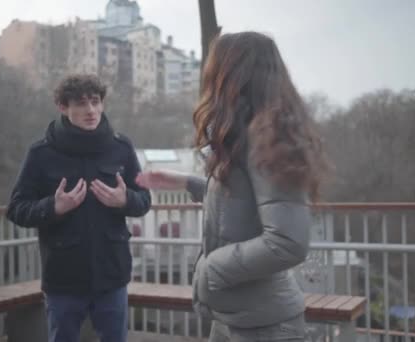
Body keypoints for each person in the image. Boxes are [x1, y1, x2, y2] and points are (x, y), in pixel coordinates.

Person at [136, 31, 329, 341]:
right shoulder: (249, 134)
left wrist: (211, 268)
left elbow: (288, 242)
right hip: (235, 317)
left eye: (213, 70)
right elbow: (242, 203)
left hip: (266, 327)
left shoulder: (269, 138)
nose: (208, 79)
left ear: (234, 75)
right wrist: (187, 183)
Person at [6, 74, 151, 342]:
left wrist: (125, 200)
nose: (91, 110)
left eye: (95, 102)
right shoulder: (41, 153)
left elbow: (144, 200)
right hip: (63, 277)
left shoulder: (121, 147)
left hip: (112, 275)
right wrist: (53, 207)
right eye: (81, 104)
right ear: (63, 107)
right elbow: (16, 208)